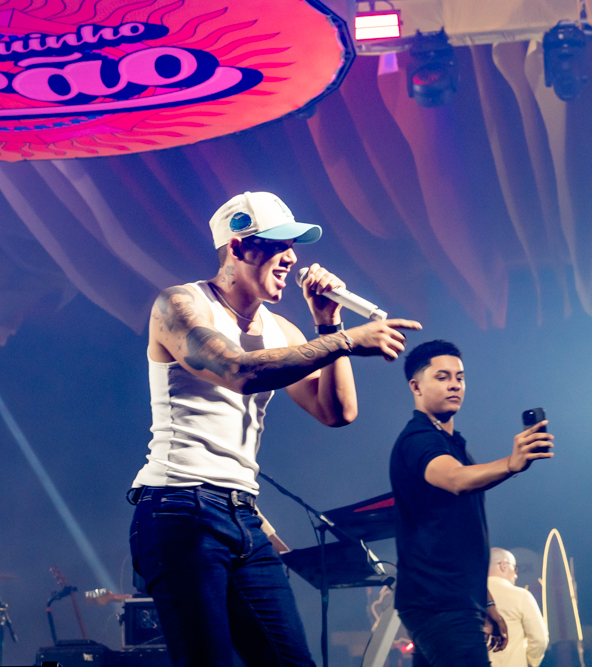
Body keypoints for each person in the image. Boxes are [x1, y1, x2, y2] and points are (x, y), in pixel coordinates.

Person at [128, 191, 420, 667]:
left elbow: (337, 412)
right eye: (278, 244)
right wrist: (348, 342)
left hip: (243, 515)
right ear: (238, 247)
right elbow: (237, 370)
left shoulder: (283, 329)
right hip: (179, 508)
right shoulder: (180, 304)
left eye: (293, 245)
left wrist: (329, 326)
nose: (291, 257)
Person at [389, 340, 553, 666]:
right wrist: (511, 463)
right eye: (442, 377)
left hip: (455, 599)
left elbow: (461, 538)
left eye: (460, 377)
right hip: (438, 601)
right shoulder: (418, 439)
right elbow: (455, 479)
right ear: (416, 386)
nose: (454, 384)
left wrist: (485, 602)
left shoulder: (453, 443)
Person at [487, 548, 548, 667]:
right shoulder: (521, 596)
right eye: (515, 569)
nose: (516, 576)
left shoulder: (471, 597)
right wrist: (532, 661)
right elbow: (539, 639)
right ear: (503, 565)